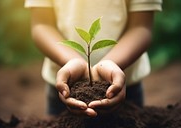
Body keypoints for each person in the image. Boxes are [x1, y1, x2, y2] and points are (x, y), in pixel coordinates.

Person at [25, 0, 162, 117]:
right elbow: (41, 24)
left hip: (123, 86)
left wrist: (111, 64)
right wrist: (72, 62)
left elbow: (141, 27)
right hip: (64, 85)